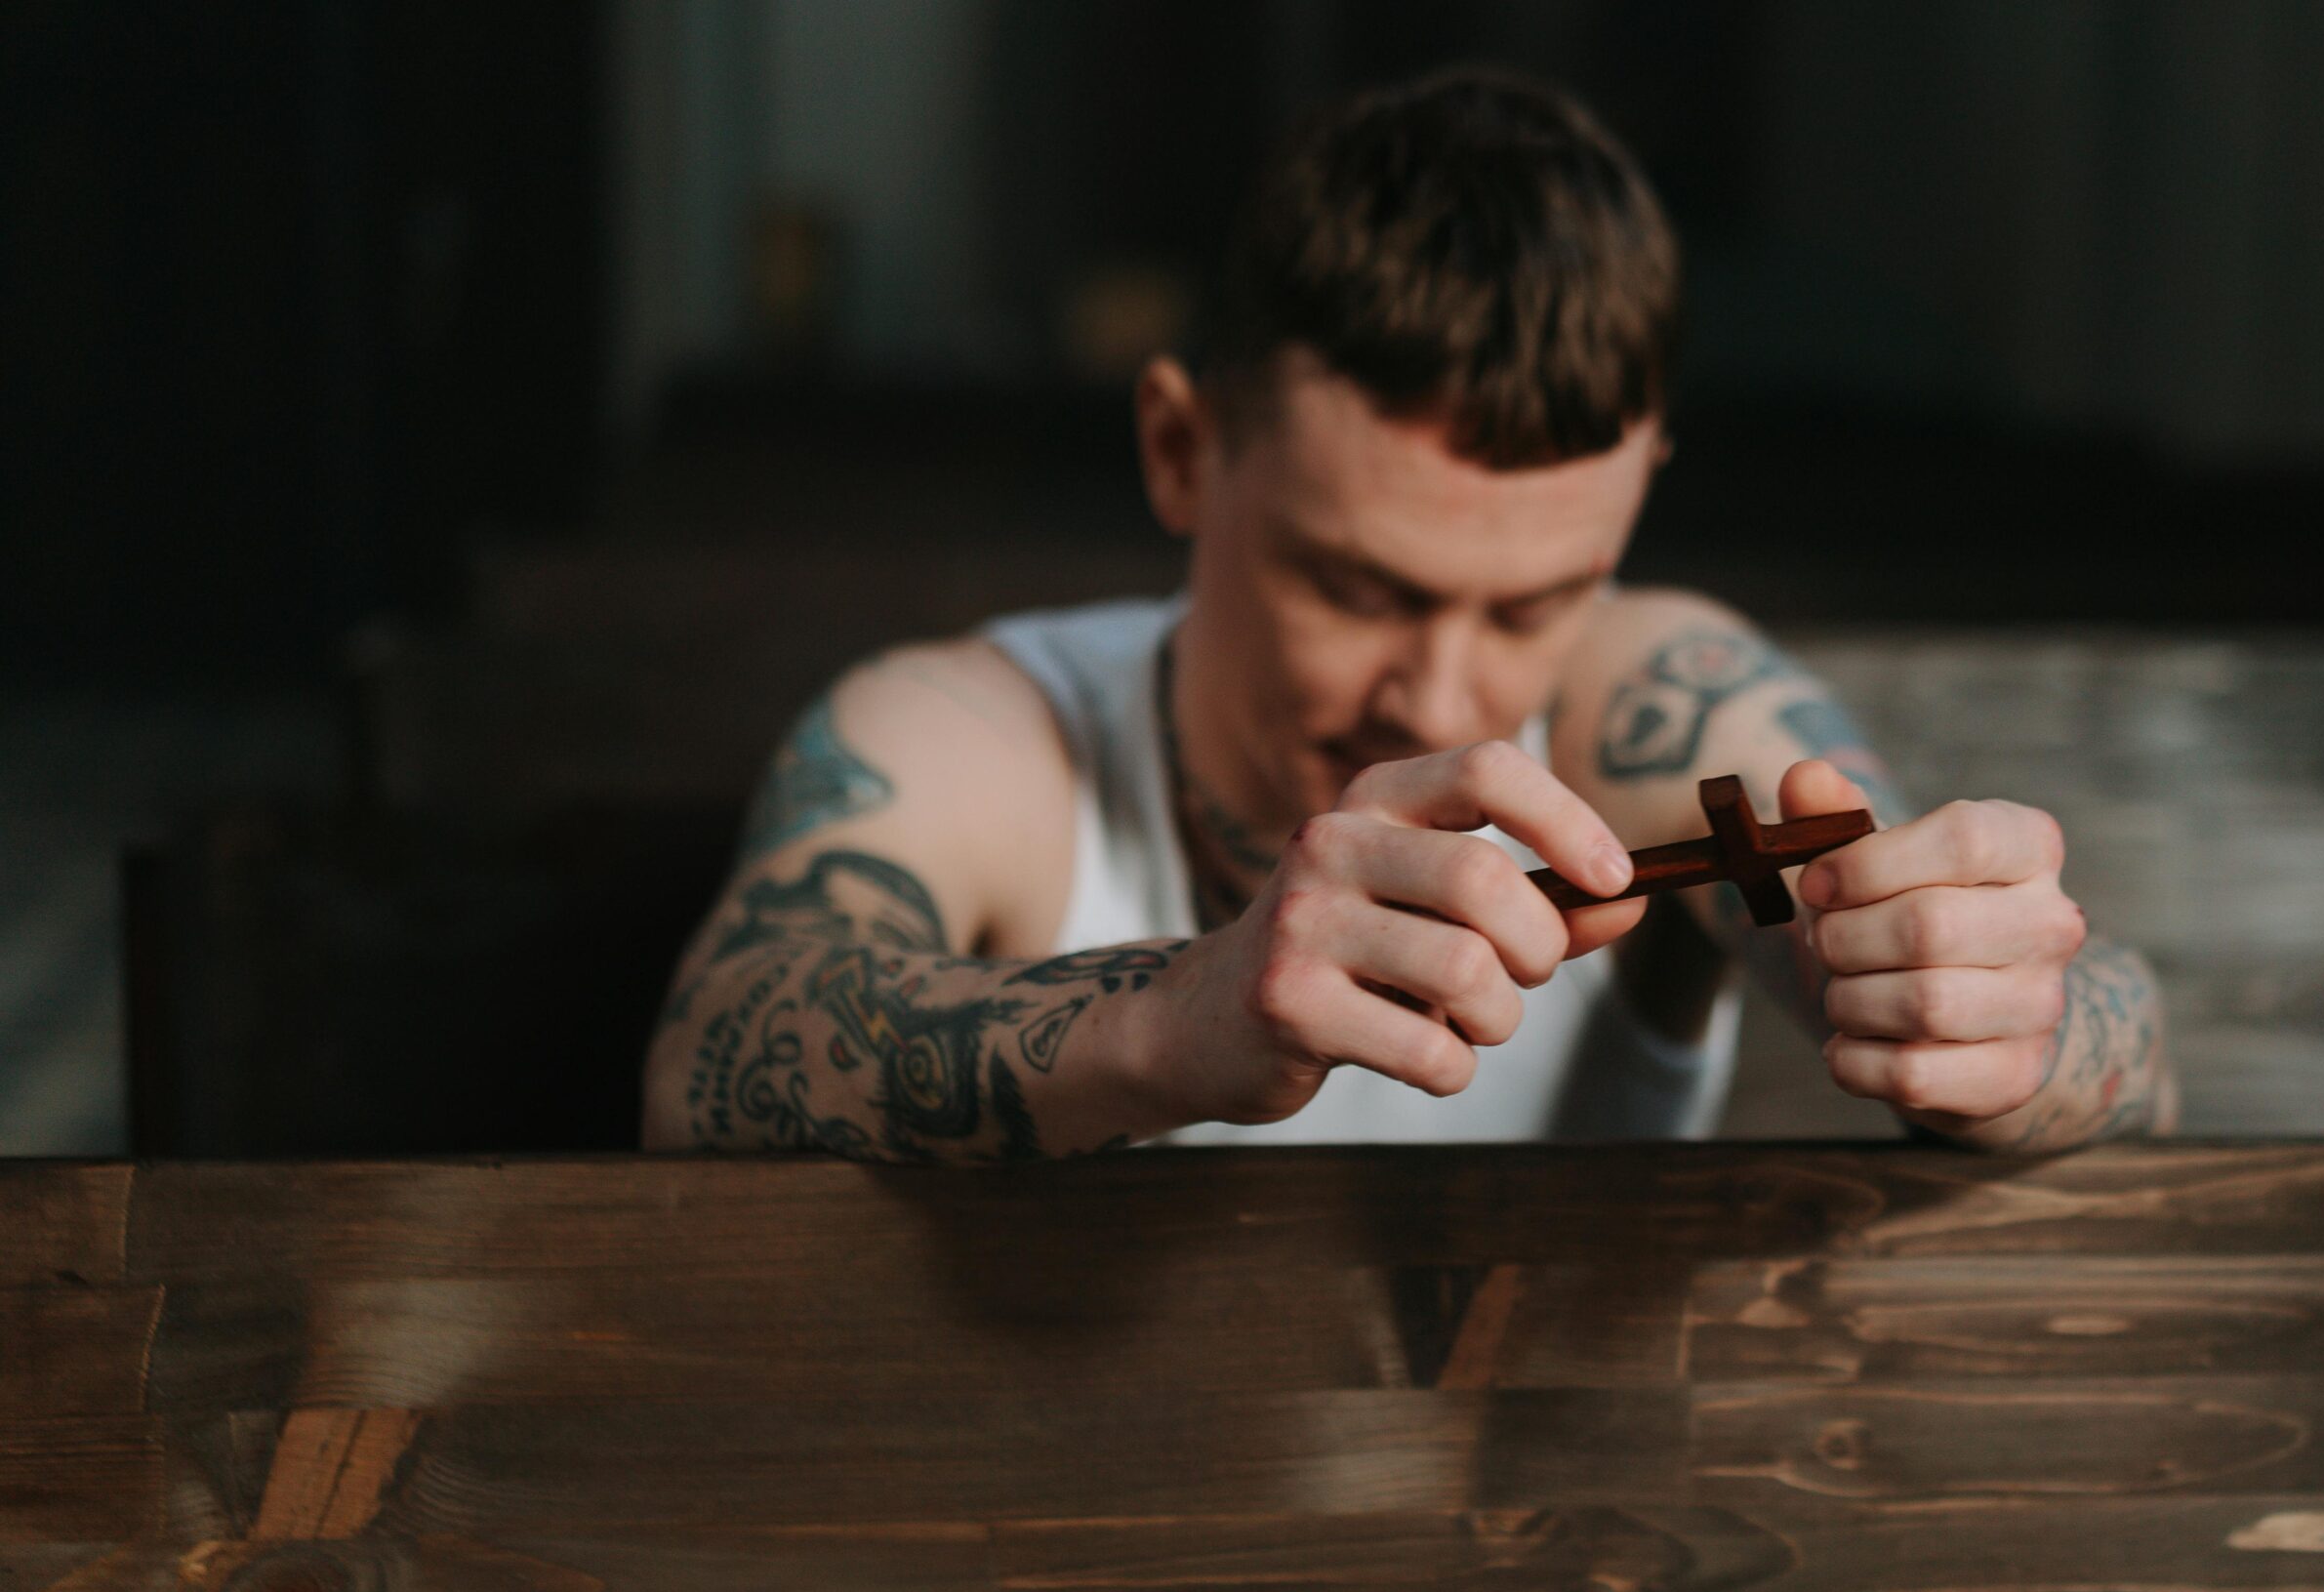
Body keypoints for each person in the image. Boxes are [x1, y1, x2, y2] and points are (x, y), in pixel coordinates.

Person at [642, 67, 2177, 1163]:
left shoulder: (1647, 704)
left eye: (1537, 602)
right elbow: (717, 1054)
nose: (1443, 699)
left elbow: (2114, 1040)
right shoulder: (979, 737)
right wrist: (1176, 1018)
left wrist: (1997, 1027)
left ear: (1639, 488)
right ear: (1182, 449)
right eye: (1355, 587)